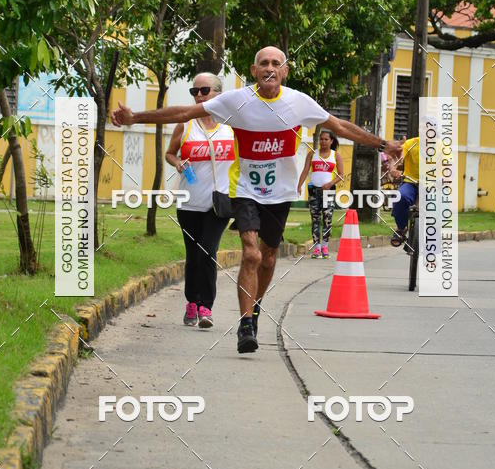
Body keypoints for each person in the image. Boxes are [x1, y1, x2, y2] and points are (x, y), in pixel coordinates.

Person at [112, 46, 403, 354]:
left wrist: (383, 144)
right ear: (254, 71)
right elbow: (184, 113)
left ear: (285, 71)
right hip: (244, 190)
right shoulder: (237, 101)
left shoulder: (298, 102)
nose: (269, 68)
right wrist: (135, 117)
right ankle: (246, 323)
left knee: (269, 257)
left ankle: (255, 306)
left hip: (280, 194)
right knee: (251, 254)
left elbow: (340, 126)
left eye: (276, 63)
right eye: (263, 63)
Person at [164, 72, 235, 328]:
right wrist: (178, 163)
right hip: (188, 203)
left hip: (219, 203)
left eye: (204, 91)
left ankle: (206, 307)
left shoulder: (231, 127)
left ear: (219, 94)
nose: (199, 96)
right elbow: (170, 153)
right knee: (193, 255)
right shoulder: (185, 125)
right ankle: (191, 302)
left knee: (208, 250)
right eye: (195, 92)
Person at [298, 130, 344, 258]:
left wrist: (330, 184)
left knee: (327, 219)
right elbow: (305, 171)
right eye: (321, 139)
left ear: (331, 141)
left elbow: (341, 175)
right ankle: (316, 248)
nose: (323, 142)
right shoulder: (312, 154)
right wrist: (299, 185)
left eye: (326, 139)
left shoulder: (335, 155)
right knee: (315, 219)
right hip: (314, 191)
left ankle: (325, 246)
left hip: (328, 191)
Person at [390, 136, 419, 246]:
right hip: (410, 182)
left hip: (432, 184)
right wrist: (393, 169)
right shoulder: (410, 143)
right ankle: (401, 229)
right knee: (400, 197)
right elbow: (398, 158)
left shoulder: (441, 146)